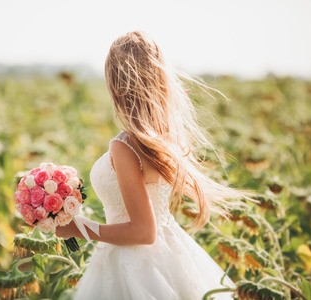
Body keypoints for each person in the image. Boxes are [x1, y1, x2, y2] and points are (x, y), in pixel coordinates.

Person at [56, 30, 246, 299]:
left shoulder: (124, 146)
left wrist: (79, 228)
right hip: (169, 255)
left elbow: (144, 231)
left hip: (133, 266)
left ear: (115, 83)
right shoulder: (159, 138)